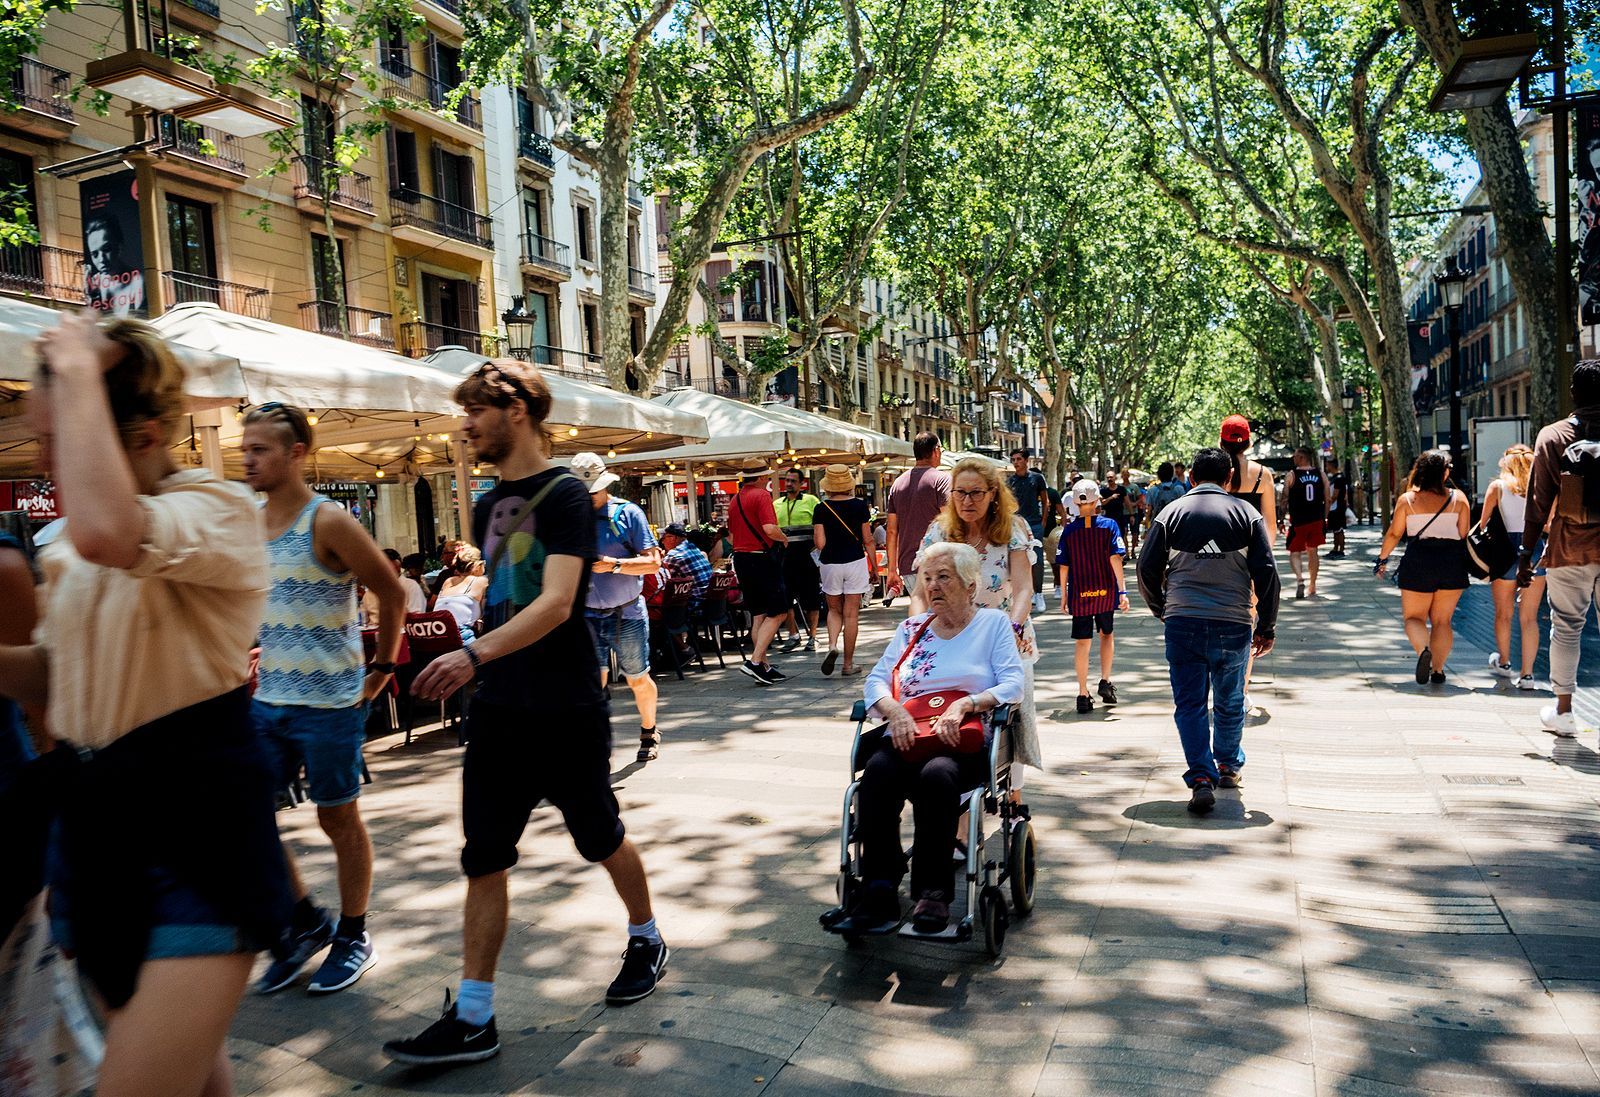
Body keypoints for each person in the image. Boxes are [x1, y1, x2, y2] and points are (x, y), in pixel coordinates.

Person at [1, 313, 292, 1096]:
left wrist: (74, 359)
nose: (47, 461)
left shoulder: (220, 513)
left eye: (61, 440)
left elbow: (109, 532)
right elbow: (63, 678)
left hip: (198, 840)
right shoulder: (65, 542)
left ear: (143, 434)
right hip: (95, 844)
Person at [384, 360, 666, 1067]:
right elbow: (504, 592)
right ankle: (475, 1013)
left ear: (514, 409)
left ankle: (647, 936)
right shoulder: (484, 505)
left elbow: (558, 601)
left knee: (599, 836)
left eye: (475, 409)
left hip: (565, 704)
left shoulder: (567, 493)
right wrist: (482, 651)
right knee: (483, 855)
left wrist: (471, 655)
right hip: (501, 709)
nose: (466, 423)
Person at [242, 402, 405, 997]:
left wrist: (383, 668)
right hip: (269, 700)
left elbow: (391, 592)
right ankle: (307, 921)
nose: (248, 458)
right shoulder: (251, 522)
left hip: (331, 703)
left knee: (337, 816)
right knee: (246, 813)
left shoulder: (327, 520)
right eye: (246, 447)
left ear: (296, 453)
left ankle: (354, 933)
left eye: (260, 449)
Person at [833, 542, 1024, 934]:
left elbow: (1013, 683)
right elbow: (876, 680)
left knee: (937, 777)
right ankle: (879, 886)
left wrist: (968, 704)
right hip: (910, 733)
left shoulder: (992, 625)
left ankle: (932, 894)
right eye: (927, 578)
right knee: (878, 772)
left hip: (963, 740)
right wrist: (894, 710)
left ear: (970, 586)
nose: (933, 586)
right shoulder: (910, 629)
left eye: (944, 577)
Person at [1138, 447, 1280, 815]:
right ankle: (1228, 765)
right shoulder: (1246, 514)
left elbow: (1145, 568)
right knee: (1230, 699)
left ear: (1190, 478)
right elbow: (1266, 571)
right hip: (1233, 623)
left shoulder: (1169, 514)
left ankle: (1201, 777)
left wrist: (1162, 610)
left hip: (1183, 622)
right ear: (1229, 478)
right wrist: (1267, 625)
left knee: (1190, 703)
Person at [915, 457, 1042, 792]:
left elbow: (1024, 587)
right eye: (960, 493)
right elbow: (919, 593)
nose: (967, 501)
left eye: (976, 493)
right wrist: (915, 631)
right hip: (951, 637)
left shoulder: (1013, 531)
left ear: (993, 494)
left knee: (1011, 716)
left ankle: (1013, 796)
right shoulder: (939, 532)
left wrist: (1011, 629)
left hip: (1005, 634)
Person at [1520, 358, 1600, 737]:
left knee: (1567, 628)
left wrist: (1526, 556)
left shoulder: (1552, 436)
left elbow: (1537, 505)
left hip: (1569, 547)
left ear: (1573, 393)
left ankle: (1564, 712)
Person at [572, 452, 663, 764]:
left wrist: (615, 565)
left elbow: (653, 563)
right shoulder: (570, 519)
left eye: (592, 492)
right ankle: (591, 743)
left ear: (605, 487)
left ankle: (649, 730)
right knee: (590, 681)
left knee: (637, 677)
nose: (588, 499)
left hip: (627, 612)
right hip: (584, 614)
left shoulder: (629, 513)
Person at [1375, 450, 1471, 685]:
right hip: (1451, 562)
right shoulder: (1459, 499)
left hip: (1419, 562)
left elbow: (1395, 533)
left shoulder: (1408, 500)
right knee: (1442, 621)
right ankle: (1438, 670)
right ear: (1445, 472)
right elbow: (1463, 533)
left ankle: (1423, 651)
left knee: (1414, 618)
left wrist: (1382, 559)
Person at [1220, 416, 1277, 710]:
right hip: (1250, 558)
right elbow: (1271, 527)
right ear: (1249, 441)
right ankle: (1241, 689)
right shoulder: (1263, 474)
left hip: (1217, 558)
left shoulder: (1216, 471)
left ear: (1221, 440)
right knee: (1247, 623)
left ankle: (1218, 685)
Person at [1056, 480, 1128, 714]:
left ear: (1075, 502)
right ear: (1098, 500)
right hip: (1106, 591)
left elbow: (1063, 566)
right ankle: (1105, 681)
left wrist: (1064, 596)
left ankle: (1082, 693)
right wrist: (1123, 591)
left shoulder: (1068, 531)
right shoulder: (1110, 526)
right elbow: (1115, 558)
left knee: (1082, 642)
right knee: (1107, 635)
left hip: (1080, 593)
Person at [1481, 444, 1545, 691]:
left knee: (1503, 613)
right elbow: (1549, 523)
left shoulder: (1497, 487)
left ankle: (1505, 662)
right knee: (1529, 617)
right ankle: (1527, 676)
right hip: (1535, 549)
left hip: (1504, 552)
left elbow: (1484, 524)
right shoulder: (1540, 488)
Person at [728, 458, 790, 684]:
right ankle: (754, 662)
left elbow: (733, 534)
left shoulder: (735, 499)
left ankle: (762, 666)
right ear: (763, 477)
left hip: (741, 559)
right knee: (779, 611)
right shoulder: (762, 495)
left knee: (759, 614)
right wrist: (783, 539)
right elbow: (769, 529)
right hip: (761, 559)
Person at [813, 464, 875, 676]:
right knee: (851, 614)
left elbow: (820, 543)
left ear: (828, 486)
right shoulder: (860, 506)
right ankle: (848, 665)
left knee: (833, 609)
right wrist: (875, 567)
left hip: (830, 563)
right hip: (855, 561)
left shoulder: (821, 508)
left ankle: (832, 644)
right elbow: (868, 539)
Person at [885, 431, 950, 603]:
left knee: (922, 616)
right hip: (939, 562)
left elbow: (891, 531)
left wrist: (892, 570)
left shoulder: (897, 484)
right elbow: (950, 523)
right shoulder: (942, 480)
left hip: (908, 564)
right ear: (936, 450)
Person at [774, 467, 822, 651]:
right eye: (787, 480)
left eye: (793, 481)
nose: (788, 484)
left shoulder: (811, 501)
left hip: (807, 558)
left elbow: (820, 528)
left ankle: (813, 636)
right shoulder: (777, 504)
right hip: (784, 559)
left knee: (811, 599)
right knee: (785, 599)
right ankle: (793, 635)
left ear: (802, 483)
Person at [1282, 446, 1330, 600]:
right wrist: (1325, 517)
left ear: (1302, 458)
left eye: (1295, 456)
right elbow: (1327, 498)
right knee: (1313, 551)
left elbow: (1284, 498)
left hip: (1298, 521)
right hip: (1316, 519)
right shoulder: (1321, 474)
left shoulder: (1292, 475)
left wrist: (1280, 517)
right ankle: (1313, 585)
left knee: (1294, 552)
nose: (1293, 459)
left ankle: (1300, 579)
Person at [1006, 449, 1050, 612]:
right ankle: (1024, 593)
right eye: (1013, 459)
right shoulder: (1010, 482)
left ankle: (1038, 593)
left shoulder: (1037, 478)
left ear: (1026, 460)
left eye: (1018, 459)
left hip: (1035, 523)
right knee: (1018, 560)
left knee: (1037, 560)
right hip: (1016, 525)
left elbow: (1046, 502)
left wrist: (1043, 522)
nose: (1015, 462)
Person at [83, 216, 145, 316]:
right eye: (95, 254)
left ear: (119, 246)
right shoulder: (94, 284)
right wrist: (91, 297)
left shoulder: (137, 280)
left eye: (106, 249)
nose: (101, 259)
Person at [362, 547, 427, 625]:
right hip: (373, 632)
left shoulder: (411, 586)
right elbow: (363, 620)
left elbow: (416, 618)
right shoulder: (371, 592)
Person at [434, 543, 487, 640]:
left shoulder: (448, 581)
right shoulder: (481, 581)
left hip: (438, 633)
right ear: (478, 565)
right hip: (461, 634)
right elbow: (485, 612)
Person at [659, 522, 712, 612]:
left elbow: (661, 580)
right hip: (710, 603)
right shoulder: (694, 548)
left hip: (694, 606)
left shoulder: (674, 556)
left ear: (673, 538)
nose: (662, 542)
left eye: (664, 538)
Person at [1144, 461, 1188, 527]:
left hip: (1157, 526)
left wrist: (1147, 528)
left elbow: (1148, 510)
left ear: (1159, 475)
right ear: (1172, 474)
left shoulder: (1152, 491)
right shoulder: (1179, 489)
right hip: (1175, 526)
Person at [1325, 460, 1349, 558]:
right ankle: (1335, 548)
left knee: (1339, 529)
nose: (1326, 468)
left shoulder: (1339, 478)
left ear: (1331, 466)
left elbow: (1336, 494)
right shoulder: (1334, 478)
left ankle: (1341, 550)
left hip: (1337, 507)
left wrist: (1328, 502)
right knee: (1335, 529)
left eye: (1327, 466)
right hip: (1334, 507)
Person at [1121, 469, 1145, 555]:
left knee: (1135, 533)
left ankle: (1133, 550)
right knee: (1124, 532)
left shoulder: (1134, 487)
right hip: (1123, 513)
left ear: (1129, 475)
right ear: (1121, 476)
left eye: (1126, 474)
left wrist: (1135, 503)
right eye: (1123, 474)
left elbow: (1141, 498)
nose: (1125, 476)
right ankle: (1126, 551)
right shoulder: (1120, 487)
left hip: (1134, 513)